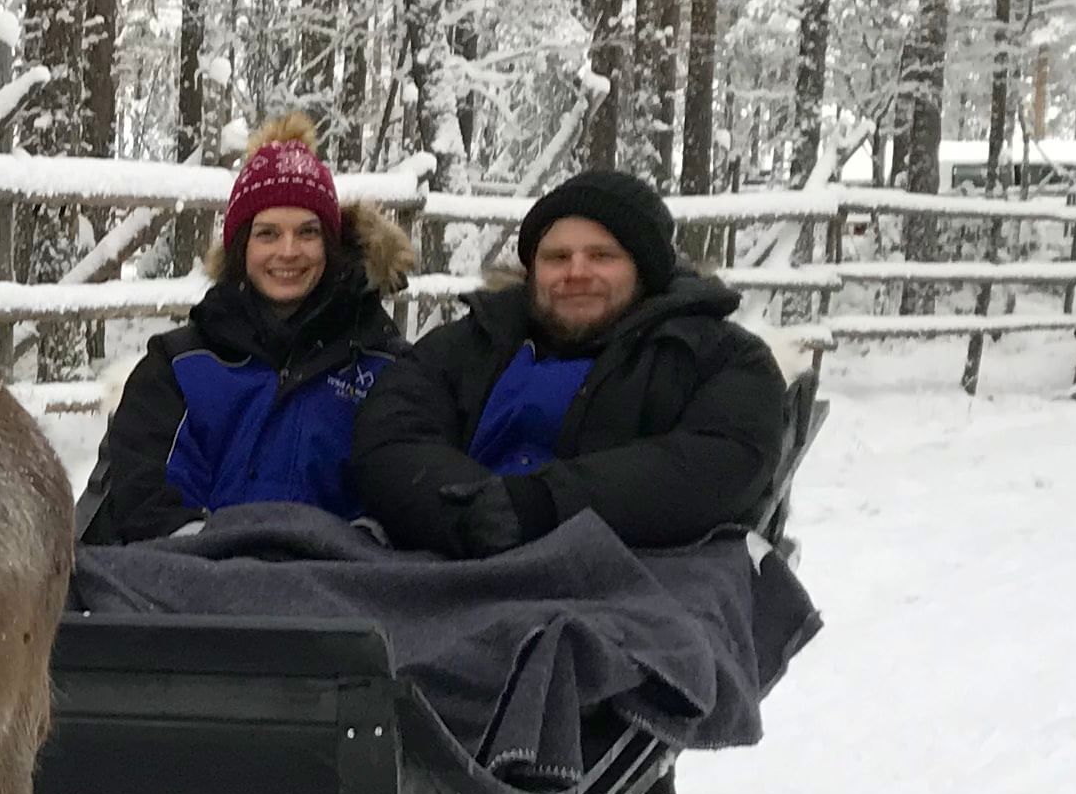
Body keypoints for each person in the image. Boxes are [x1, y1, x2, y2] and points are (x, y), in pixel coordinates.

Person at [352, 166, 793, 558]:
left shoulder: (716, 356)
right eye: (557, 257)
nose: (576, 272)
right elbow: (392, 433)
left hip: (629, 574)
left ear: (646, 270)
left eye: (602, 256)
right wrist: (468, 509)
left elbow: (716, 463)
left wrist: (544, 505)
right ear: (532, 270)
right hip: (452, 557)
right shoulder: (473, 342)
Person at [77, 112, 416, 544]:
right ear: (242, 246)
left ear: (330, 245)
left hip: (341, 591)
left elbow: (402, 492)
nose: (288, 252)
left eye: (308, 232)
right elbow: (145, 493)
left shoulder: (388, 368)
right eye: (268, 234)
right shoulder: (178, 367)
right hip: (194, 591)